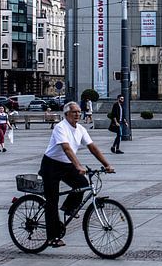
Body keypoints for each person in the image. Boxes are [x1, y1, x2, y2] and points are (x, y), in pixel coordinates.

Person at [38, 101, 115, 248]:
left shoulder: (80, 129)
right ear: (66, 114)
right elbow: (66, 148)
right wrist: (78, 165)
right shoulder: (60, 127)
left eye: (79, 112)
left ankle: (68, 208)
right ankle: (52, 237)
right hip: (51, 165)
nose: (78, 114)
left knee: (83, 184)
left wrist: (106, 165)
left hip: (67, 165)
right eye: (74, 112)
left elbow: (93, 147)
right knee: (52, 201)